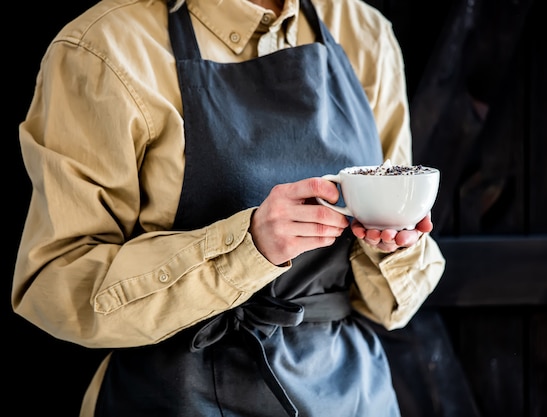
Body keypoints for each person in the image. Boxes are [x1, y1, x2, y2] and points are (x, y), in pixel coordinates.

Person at [12, 0, 446, 415]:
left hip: (350, 393)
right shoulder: (104, 46)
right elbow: (56, 281)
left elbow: (390, 307)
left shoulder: (365, 31)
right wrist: (245, 249)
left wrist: (392, 245)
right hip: (176, 394)